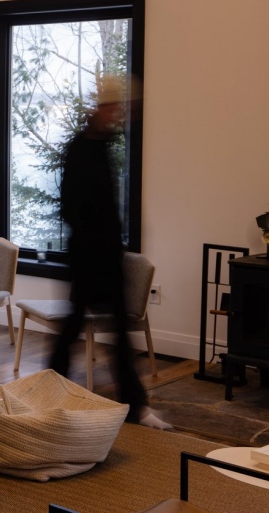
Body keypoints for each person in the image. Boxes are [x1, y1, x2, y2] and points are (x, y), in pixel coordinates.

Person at [48, 75, 168, 430]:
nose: (119, 115)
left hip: (107, 256)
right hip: (88, 256)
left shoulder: (101, 145)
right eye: (114, 108)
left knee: (114, 331)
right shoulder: (81, 149)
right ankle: (50, 391)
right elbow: (70, 207)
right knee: (73, 327)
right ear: (101, 108)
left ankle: (134, 405)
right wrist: (96, 238)